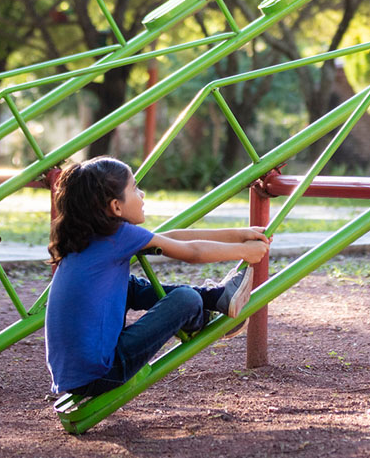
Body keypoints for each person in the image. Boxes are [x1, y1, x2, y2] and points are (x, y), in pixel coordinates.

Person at [44, 156, 271, 398]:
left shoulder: (90, 238)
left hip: (74, 375)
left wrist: (237, 235)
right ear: (115, 207)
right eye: (134, 188)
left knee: (129, 286)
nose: (141, 195)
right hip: (103, 373)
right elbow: (192, 252)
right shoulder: (118, 236)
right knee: (186, 299)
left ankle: (216, 298)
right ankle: (205, 312)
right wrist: (244, 251)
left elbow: (170, 237)